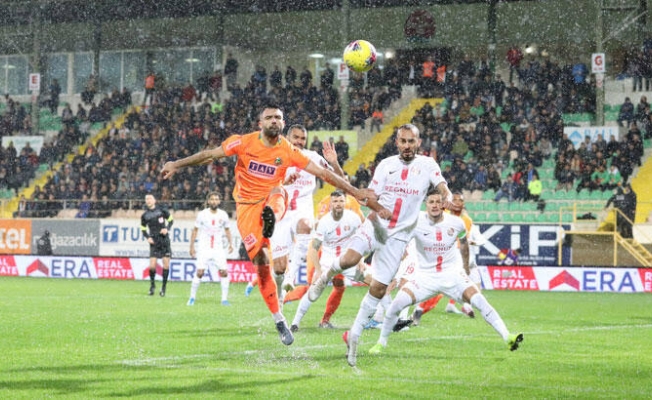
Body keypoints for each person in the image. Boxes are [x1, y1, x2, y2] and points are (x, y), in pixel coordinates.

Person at [160, 104, 385, 346]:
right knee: (263, 262)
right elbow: (209, 155)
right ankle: (279, 319)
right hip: (246, 208)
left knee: (278, 194)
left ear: (283, 123)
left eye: (278, 117)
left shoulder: (288, 150)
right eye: (269, 117)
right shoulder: (243, 142)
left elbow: (324, 174)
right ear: (260, 123)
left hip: (275, 202)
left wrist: (355, 191)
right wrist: (176, 164)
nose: (274, 120)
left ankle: (273, 221)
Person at [307, 123, 456, 367]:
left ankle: (354, 335)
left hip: (398, 238)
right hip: (375, 225)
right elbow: (368, 196)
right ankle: (324, 277)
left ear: (418, 143)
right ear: (396, 142)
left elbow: (442, 186)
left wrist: (447, 197)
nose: (407, 145)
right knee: (349, 260)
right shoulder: (386, 165)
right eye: (402, 141)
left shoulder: (428, 164)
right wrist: (373, 203)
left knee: (378, 288)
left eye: (411, 141)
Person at [368, 191, 523, 354]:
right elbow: (399, 240)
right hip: (425, 277)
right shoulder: (416, 222)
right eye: (431, 202)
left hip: (452, 275)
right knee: (396, 304)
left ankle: (508, 337)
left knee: (479, 300)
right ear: (426, 205)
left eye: (438, 202)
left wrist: (465, 268)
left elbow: (464, 244)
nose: (435, 205)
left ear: (443, 204)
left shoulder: (457, 223)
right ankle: (381, 343)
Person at [270, 125, 344, 298]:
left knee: (305, 226)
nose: (299, 141)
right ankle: (280, 295)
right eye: (296, 137)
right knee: (279, 267)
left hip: (302, 209)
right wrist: (282, 183)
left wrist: (334, 162)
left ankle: (291, 277)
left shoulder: (313, 157)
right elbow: (265, 185)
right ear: (287, 138)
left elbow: (340, 180)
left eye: (303, 138)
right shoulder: (276, 156)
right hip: (281, 211)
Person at [290, 190, 366, 332]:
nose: (338, 204)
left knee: (375, 282)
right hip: (327, 262)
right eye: (335, 201)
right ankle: (295, 323)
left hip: (347, 261)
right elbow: (314, 247)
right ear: (331, 204)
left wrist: (360, 260)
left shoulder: (354, 218)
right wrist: (318, 270)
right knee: (312, 291)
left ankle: (374, 320)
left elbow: (361, 240)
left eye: (341, 201)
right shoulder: (324, 222)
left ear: (345, 202)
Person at [188, 192, 234, 306]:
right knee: (200, 272)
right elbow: (195, 230)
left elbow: (227, 230)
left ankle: (224, 299)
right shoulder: (202, 214)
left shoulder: (223, 214)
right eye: (212, 199)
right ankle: (192, 298)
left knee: (224, 272)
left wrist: (231, 244)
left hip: (218, 248)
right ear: (208, 201)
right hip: (204, 247)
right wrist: (192, 246)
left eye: (216, 199)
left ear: (219, 201)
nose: (214, 201)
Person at [140, 193, 174, 297]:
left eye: (150, 198)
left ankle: (163, 288)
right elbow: (143, 228)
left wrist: (167, 228)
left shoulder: (162, 210)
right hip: (154, 241)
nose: (148, 200)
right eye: (147, 199)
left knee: (166, 264)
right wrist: (147, 237)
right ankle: (152, 285)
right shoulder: (145, 215)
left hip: (164, 240)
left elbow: (171, 220)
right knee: (152, 265)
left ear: (154, 200)